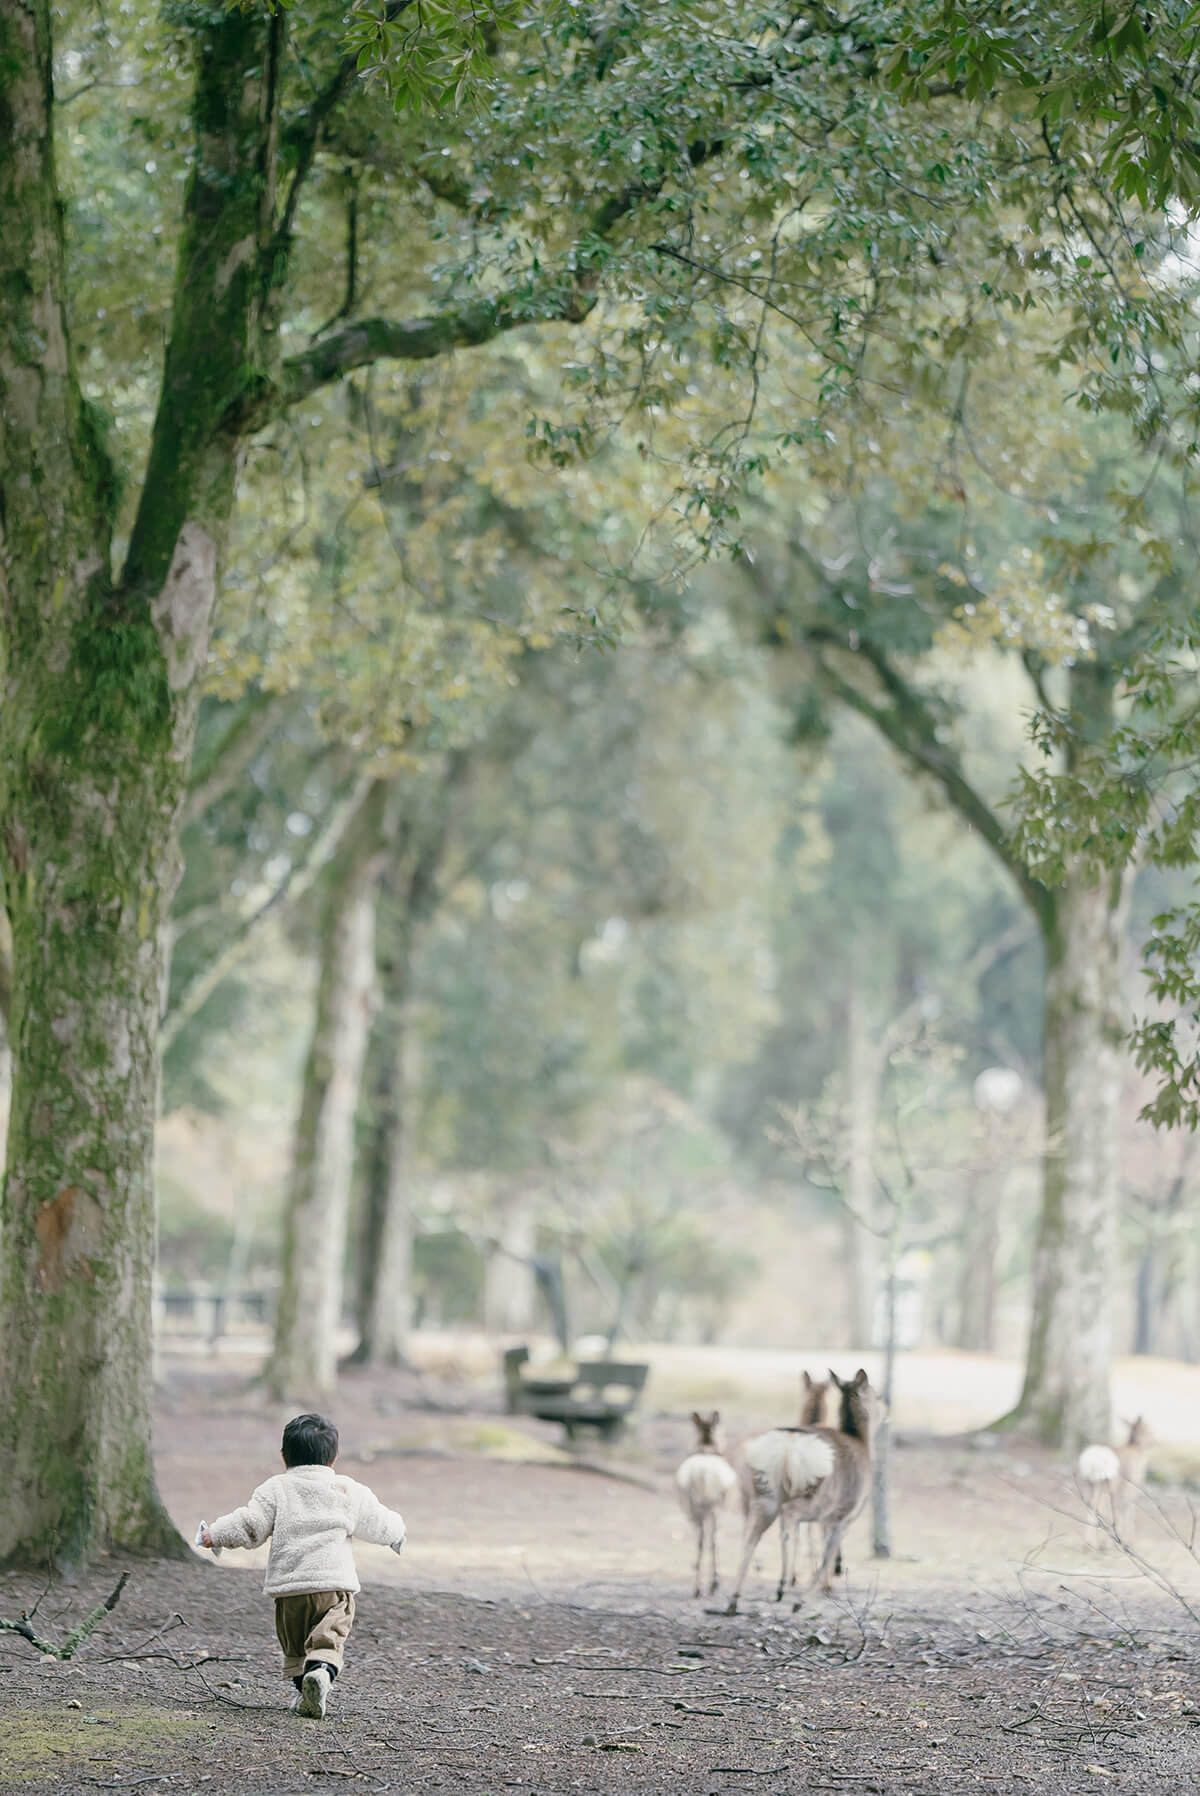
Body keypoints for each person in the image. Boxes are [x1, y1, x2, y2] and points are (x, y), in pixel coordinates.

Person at [196, 1411, 406, 1719]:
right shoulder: (347, 1490)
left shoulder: (276, 1488)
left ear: (284, 1456)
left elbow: (249, 1523)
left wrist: (213, 1534)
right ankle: (320, 1673)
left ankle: (305, 1691)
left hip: (289, 1590)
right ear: (334, 1458)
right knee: (328, 1640)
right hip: (333, 1587)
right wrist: (398, 1533)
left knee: (295, 1650)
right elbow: (378, 1521)